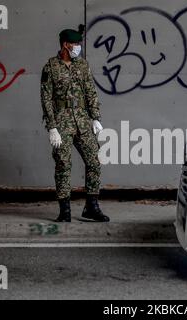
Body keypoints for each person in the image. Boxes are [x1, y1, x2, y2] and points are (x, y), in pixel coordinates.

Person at [40, 26, 109, 223]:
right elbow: (46, 98)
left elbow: (91, 92)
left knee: (94, 160)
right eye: (75, 44)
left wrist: (95, 117)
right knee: (63, 164)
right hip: (62, 122)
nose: (78, 47)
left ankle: (91, 207)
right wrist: (52, 127)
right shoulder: (51, 67)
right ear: (65, 45)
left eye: (79, 44)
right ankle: (65, 211)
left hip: (82, 120)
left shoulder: (83, 66)